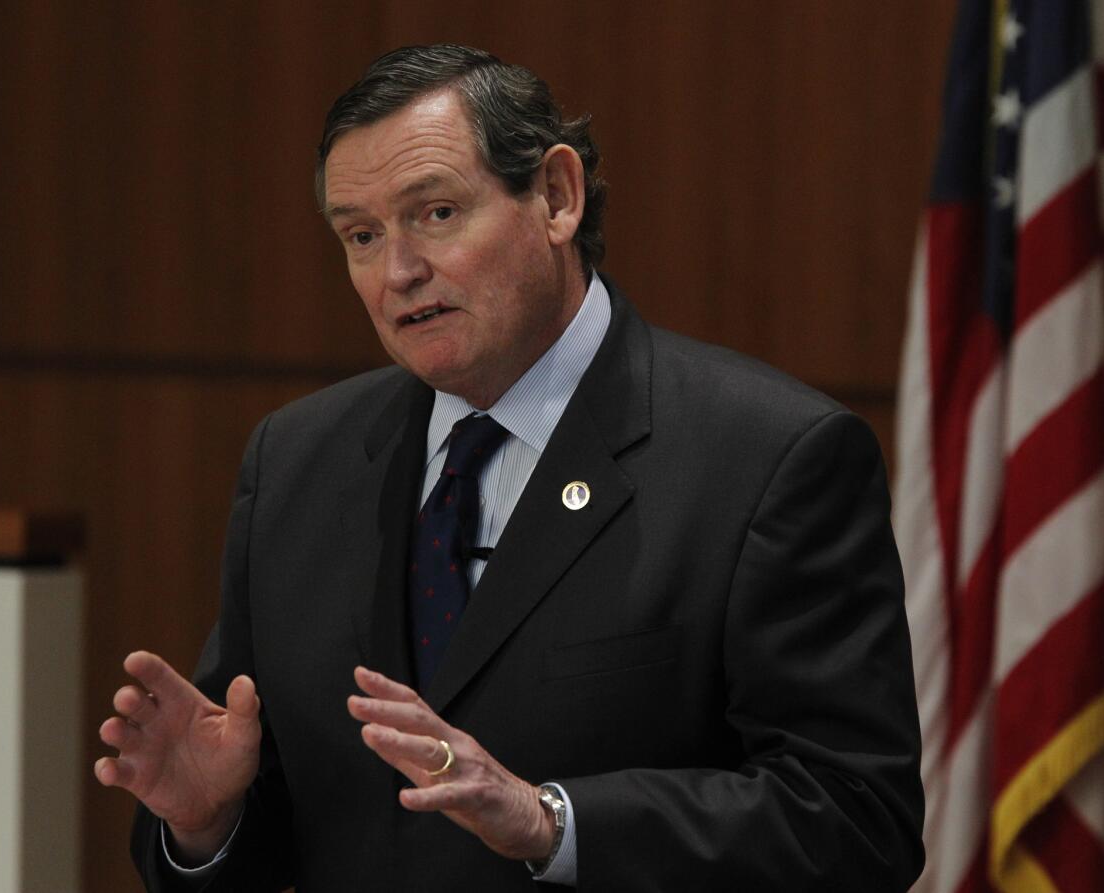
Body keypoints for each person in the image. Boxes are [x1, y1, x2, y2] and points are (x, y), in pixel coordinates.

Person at [96, 44, 925, 892]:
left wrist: (551, 823)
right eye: (362, 235)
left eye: (438, 214)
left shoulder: (768, 458)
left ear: (557, 197)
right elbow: (286, 820)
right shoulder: (297, 463)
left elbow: (857, 819)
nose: (399, 272)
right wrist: (207, 824)